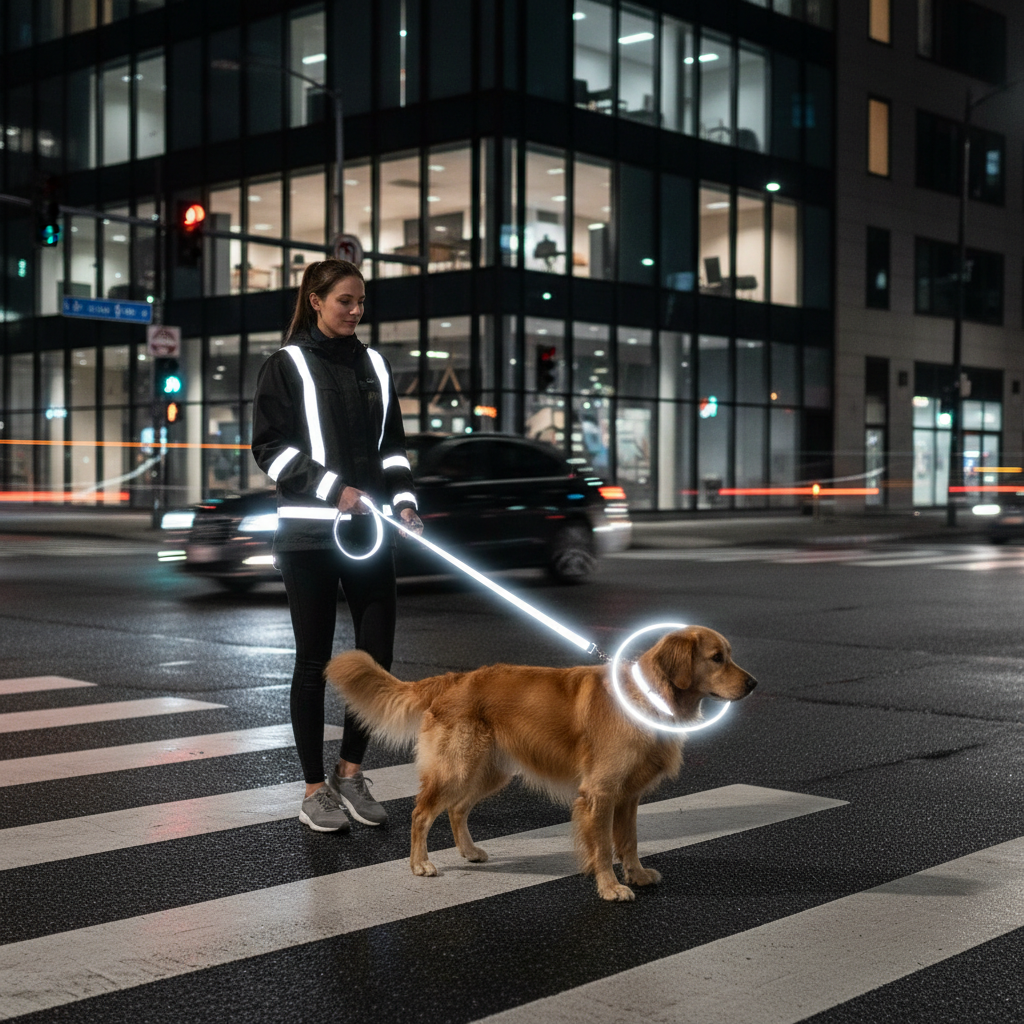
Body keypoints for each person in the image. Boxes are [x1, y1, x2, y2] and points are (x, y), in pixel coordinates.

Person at [251, 259, 423, 833]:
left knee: (375, 660)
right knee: (314, 662)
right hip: (308, 537)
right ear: (317, 300)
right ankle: (312, 788)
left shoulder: (375, 363)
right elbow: (269, 449)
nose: (355, 311)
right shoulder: (287, 364)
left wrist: (403, 501)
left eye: (361, 302)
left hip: (369, 531)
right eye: (346, 301)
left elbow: (392, 446)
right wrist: (333, 490)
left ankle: (351, 772)